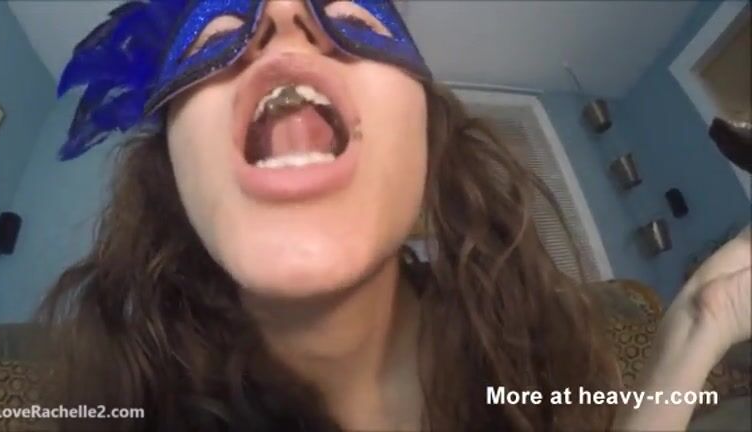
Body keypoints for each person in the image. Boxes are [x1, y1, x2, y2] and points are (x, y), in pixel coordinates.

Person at [37, 1, 750, 431]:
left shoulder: (533, 368)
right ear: (171, 172)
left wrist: (695, 330)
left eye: (353, 17)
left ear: (427, 138)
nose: (283, 18)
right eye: (215, 30)